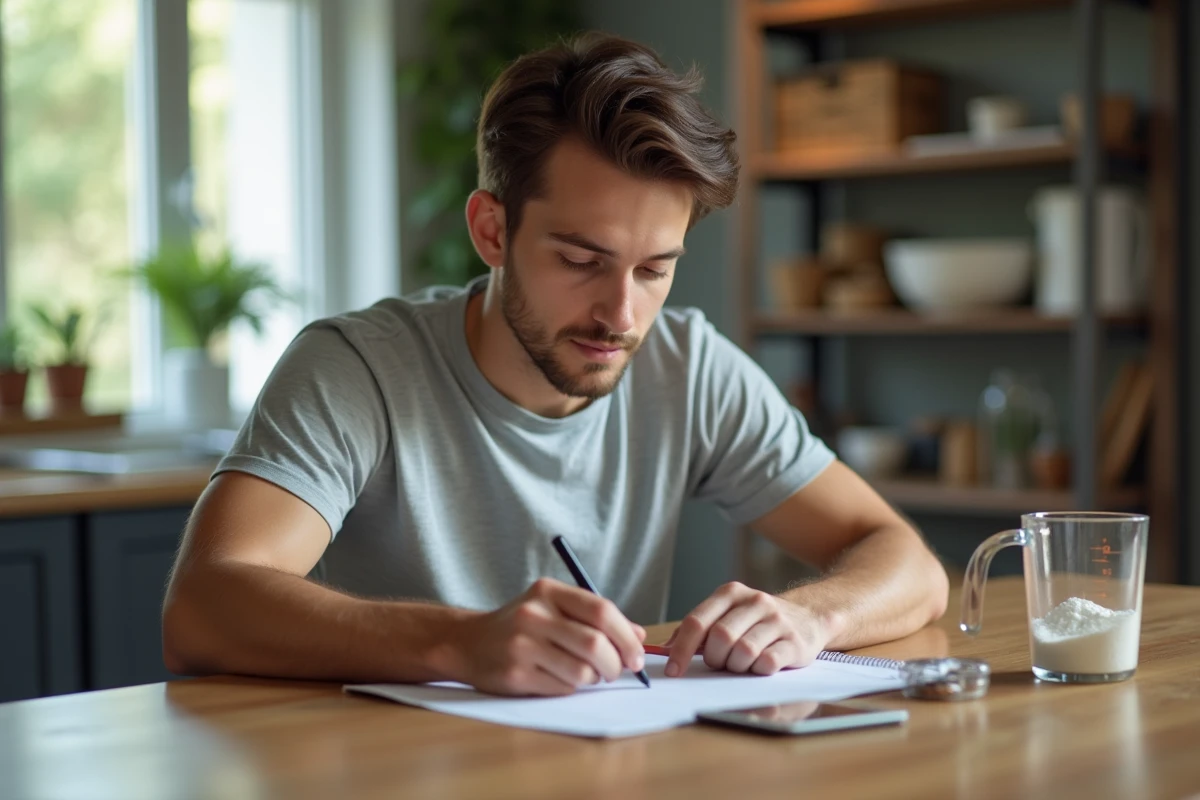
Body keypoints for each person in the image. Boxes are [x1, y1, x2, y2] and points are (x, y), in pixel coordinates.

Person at [162, 32, 948, 697]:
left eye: (653, 269)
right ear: (492, 230)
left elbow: (906, 562)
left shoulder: (690, 367)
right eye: (581, 259)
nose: (622, 315)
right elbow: (203, 604)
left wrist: (815, 617)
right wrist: (461, 644)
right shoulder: (356, 370)